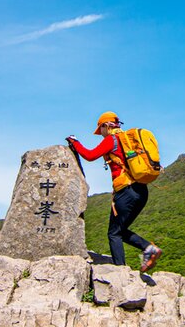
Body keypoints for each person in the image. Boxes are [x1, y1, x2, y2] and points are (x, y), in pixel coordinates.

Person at [67, 112, 162, 273]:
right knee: (120, 231)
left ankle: (121, 273)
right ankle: (148, 249)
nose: (101, 134)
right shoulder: (127, 140)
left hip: (126, 191)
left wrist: (74, 142)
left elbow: (90, 155)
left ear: (106, 126)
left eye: (100, 130)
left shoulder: (112, 140)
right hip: (141, 191)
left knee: (114, 234)